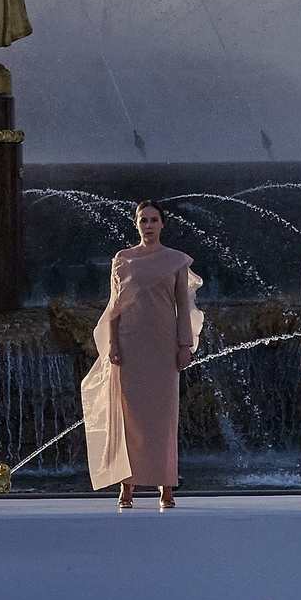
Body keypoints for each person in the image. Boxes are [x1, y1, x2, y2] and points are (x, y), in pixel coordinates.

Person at [81, 201, 199, 511]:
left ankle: (167, 486)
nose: (148, 225)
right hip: (130, 343)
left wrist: (184, 344)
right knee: (129, 416)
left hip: (163, 344)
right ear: (136, 224)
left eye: (154, 220)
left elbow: (182, 307)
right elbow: (114, 305)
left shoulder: (176, 261)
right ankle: (127, 485)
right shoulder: (123, 260)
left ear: (163, 224)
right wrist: (112, 343)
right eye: (143, 220)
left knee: (164, 415)